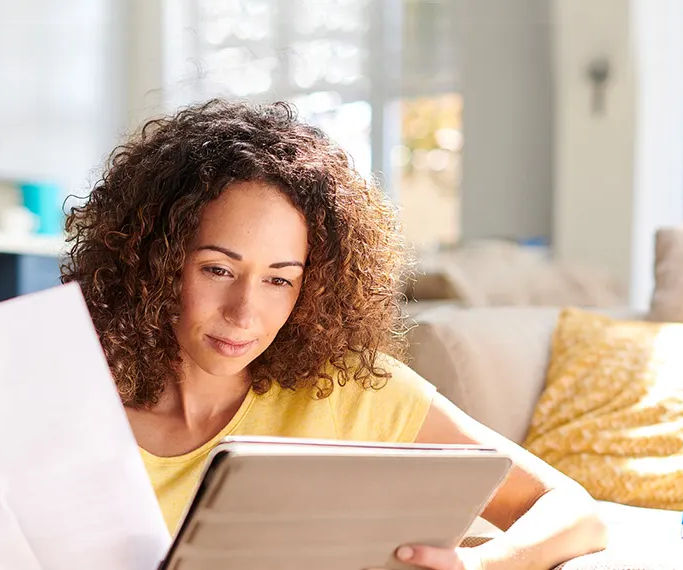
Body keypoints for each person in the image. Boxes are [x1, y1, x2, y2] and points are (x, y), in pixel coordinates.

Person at [61, 99, 607, 570]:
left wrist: (481, 564)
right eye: (218, 270)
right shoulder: (75, 402)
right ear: (156, 261)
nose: (244, 312)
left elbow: (571, 510)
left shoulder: (347, 390)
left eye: (280, 280)